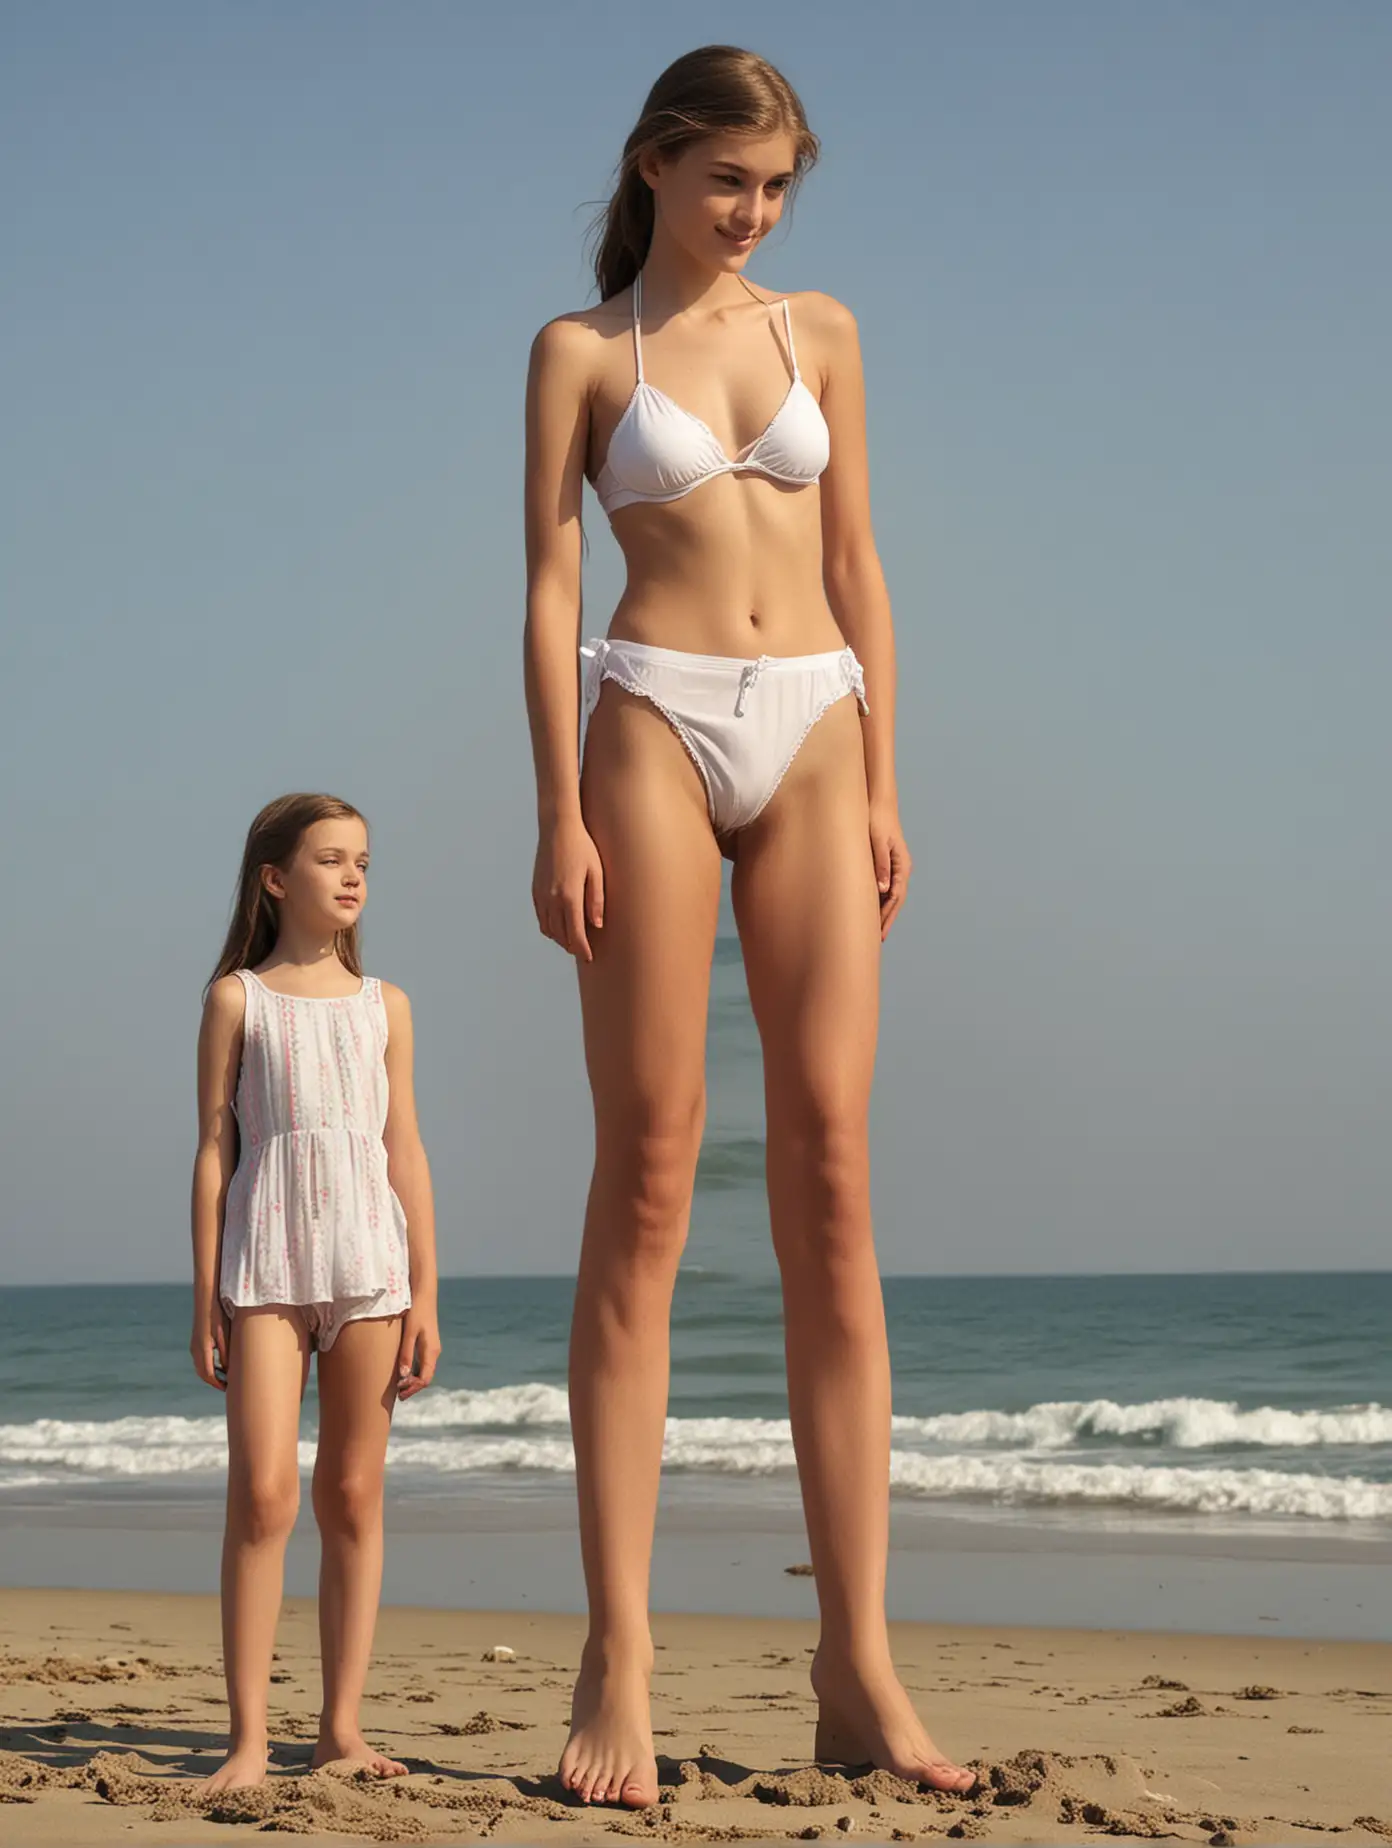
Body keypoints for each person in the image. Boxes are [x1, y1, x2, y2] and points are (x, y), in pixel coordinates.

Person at [523, 44, 973, 1811]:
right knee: (646, 1165)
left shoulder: (822, 334)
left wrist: (880, 776)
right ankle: (615, 1644)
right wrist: (552, 803)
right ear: (653, 162)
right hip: (647, 711)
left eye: (777, 186)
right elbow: (549, 579)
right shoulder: (581, 354)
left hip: (817, 724)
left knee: (834, 1171)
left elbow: (858, 559)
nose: (754, 211)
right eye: (728, 180)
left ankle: (855, 1657)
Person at [189, 792, 441, 1791]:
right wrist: (204, 1287)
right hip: (265, 1261)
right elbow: (214, 1149)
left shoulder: (387, 1004)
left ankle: (339, 1730)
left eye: (364, 863)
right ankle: (248, 1743)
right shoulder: (237, 1000)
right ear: (274, 878)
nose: (352, 878)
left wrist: (425, 1290)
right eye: (331, 859)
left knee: (351, 1494)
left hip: (370, 1263)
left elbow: (405, 1148)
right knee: (260, 1496)